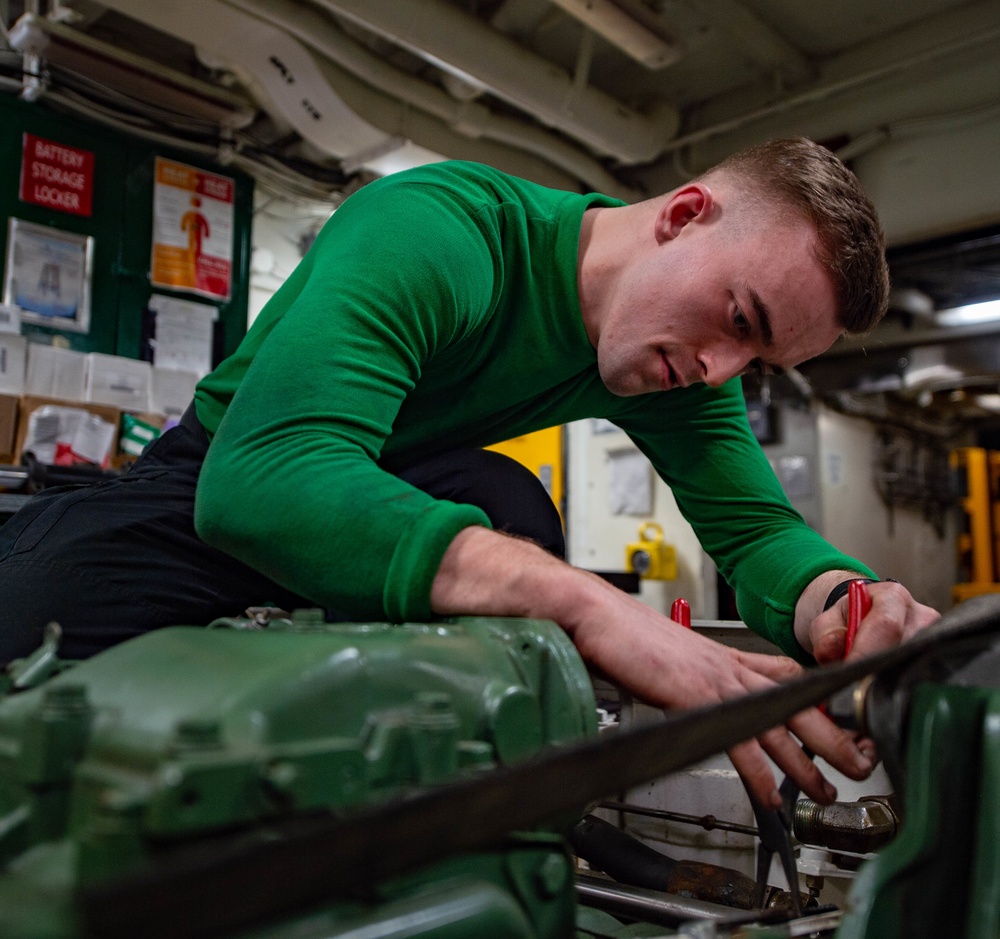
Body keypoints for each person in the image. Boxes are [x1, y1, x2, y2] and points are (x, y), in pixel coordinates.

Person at [0, 137, 938, 810]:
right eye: (740, 318)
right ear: (684, 216)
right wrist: (583, 602)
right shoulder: (442, 232)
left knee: (507, 504)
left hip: (386, 508)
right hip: (212, 489)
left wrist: (843, 602)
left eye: (760, 364)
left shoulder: (681, 372)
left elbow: (760, 533)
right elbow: (268, 475)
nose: (721, 373)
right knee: (30, 607)